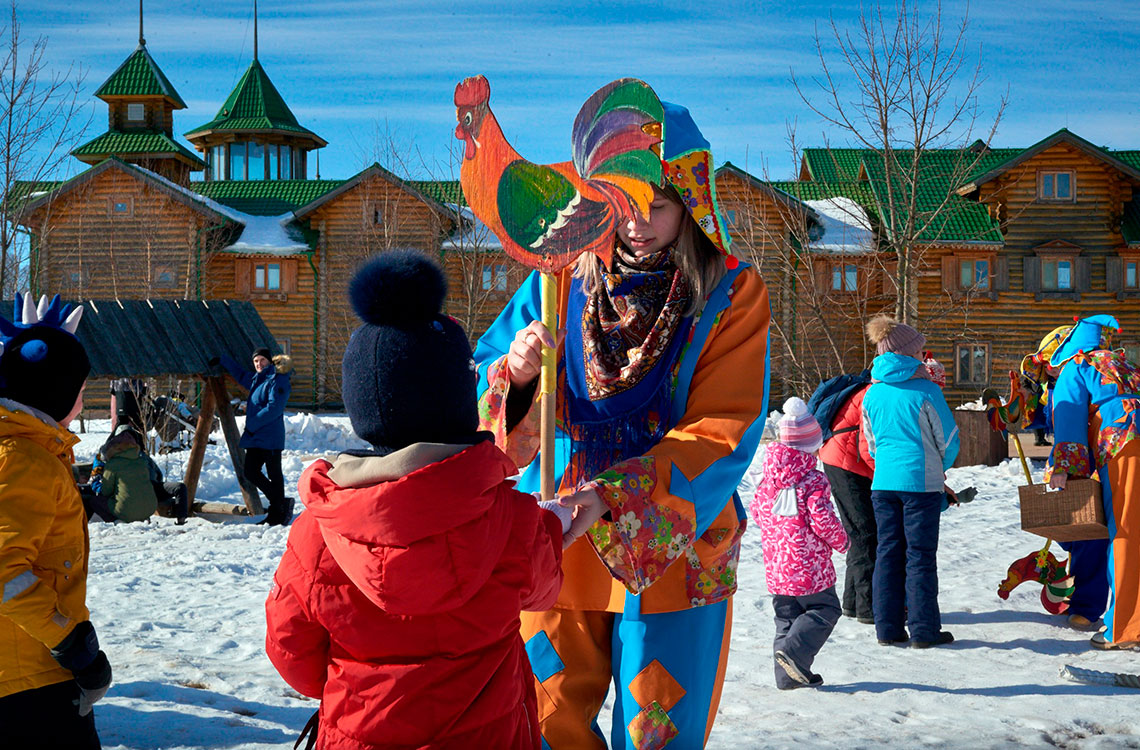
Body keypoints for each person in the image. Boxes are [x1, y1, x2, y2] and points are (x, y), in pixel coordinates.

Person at [474, 103, 770, 748]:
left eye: (657, 204)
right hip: (556, 536)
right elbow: (484, 390)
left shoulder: (728, 294)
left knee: (657, 727)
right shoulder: (553, 277)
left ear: (690, 200)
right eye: (620, 200)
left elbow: (725, 424)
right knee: (545, 718)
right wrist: (516, 376)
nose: (637, 222)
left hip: (673, 542)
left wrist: (613, 494)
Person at [265, 251, 568, 749]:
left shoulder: (317, 532)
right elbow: (543, 591)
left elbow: (289, 648)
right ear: (458, 400)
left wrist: (357, 688)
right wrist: (551, 526)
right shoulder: (510, 517)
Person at [0, 293, 111, 749]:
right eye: (82, 392)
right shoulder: (23, 461)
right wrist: (72, 643)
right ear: (56, 392)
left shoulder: (32, 453)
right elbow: (3, 569)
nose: (83, 405)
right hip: (28, 679)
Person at [859, 315, 959, 649]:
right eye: (919, 351)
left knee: (888, 553)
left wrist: (887, 465)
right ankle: (924, 630)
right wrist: (939, 468)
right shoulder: (926, 390)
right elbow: (949, 440)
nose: (923, 356)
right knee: (919, 556)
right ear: (906, 353)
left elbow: (870, 445)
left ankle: (887, 628)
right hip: (921, 485)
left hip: (883, 484)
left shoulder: (872, 393)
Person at [1044, 315, 1140, 650]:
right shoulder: (1121, 362)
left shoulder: (1077, 365)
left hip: (1124, 444)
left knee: (1124, 532)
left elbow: (1068, 420)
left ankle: (1126, 628)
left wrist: (1064, 468)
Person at [752, 397, 849, 689]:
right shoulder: (812, 480)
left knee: (786, 620)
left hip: (778, 568)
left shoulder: (767, 479)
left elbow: (758, 513)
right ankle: (792, 655)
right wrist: (843, 541)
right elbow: (822, 519)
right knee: (825, 610)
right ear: (812, 445)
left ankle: (788, 678)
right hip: (809, 569)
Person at [1021, 325, 1110, 631]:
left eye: (1051, 365)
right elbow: (1049, 421)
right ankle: (1080, 591)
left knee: (1090, 536)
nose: (1051, 372)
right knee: (1072, 532)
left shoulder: (1081, 374)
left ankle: (1088, 603)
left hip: (1091, 465)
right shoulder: (1057, 387)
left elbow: (1075, 424)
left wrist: (1065, 466)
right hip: (1072, 465)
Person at [817, 371, 876, 625]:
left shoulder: (868, 388)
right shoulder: (873, 394)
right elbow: (867, 445)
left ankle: (852, 603)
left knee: (857, 532)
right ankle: (868, 607)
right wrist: (884, 477)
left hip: (839, 458)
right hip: (845, 463)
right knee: (865, 533)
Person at [216, 347, 293, 525]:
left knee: (275, 474)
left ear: (269, 361)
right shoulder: (256, 379)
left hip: (270, 437)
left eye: (262, 360)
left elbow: (274, 408)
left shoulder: (278, 380)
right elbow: (241, 375)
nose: (259, 364)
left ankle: (277, 512)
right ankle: (280, 503)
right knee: (250, 471)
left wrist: (252, 424)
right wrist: (223, 360)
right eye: (256, 361)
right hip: (256, 437)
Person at [86, 426, 189, 525]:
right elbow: (158, 474)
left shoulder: (130, 458)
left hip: (139, 495)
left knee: (93, 501)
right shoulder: (136, 459)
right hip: (137, 496)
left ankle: (181, 519)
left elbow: (157, 473)